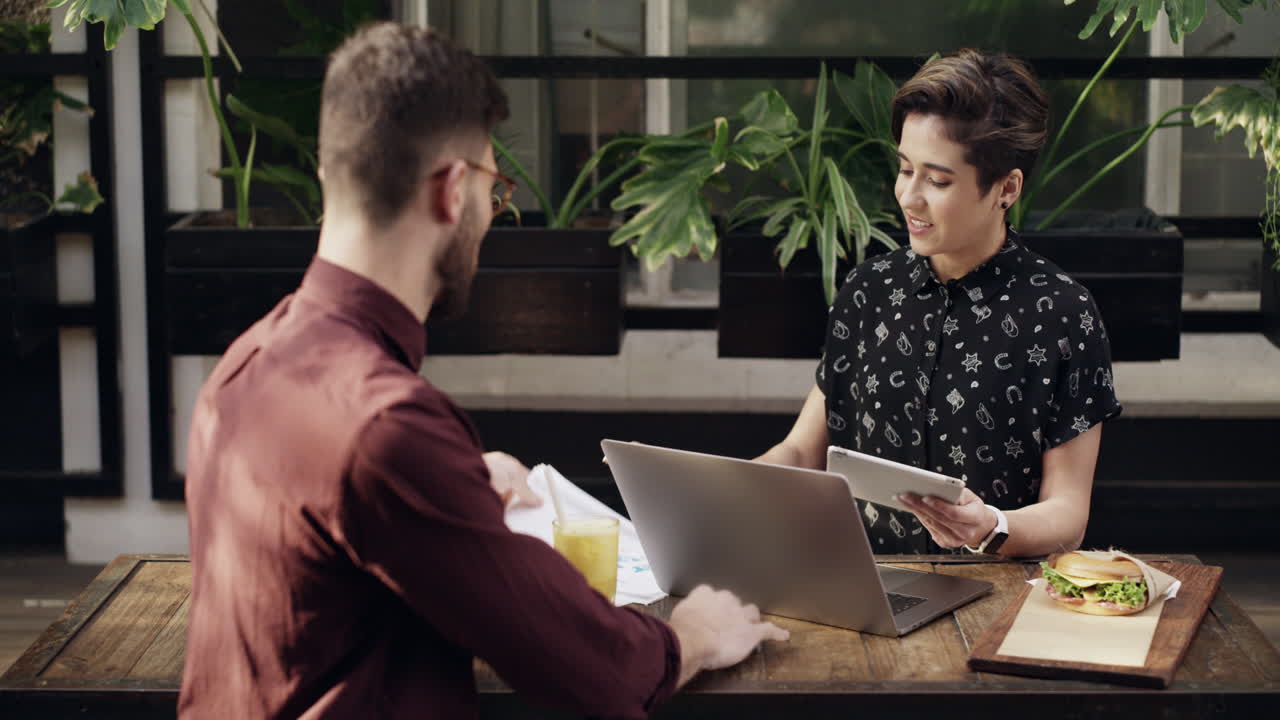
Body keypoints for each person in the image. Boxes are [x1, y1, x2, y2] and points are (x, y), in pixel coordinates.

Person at [179, 22, 787, 720]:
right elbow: (582, 667)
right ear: (450, 190)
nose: (492, 218)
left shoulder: (242, 368)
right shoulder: (386, 427)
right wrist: (689, 638)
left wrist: (456, 485)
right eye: (495, 193)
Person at [757, 49, 1121, 558]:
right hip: (862, 581)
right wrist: (724, 488)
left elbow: (1067, 512)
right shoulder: (868, 291)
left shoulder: (1061, 313)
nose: (909, 197)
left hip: (994, 594)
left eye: (938, 180)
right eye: (905, 170)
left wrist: (992, 526)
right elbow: (801, 450)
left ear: (1006, 188)